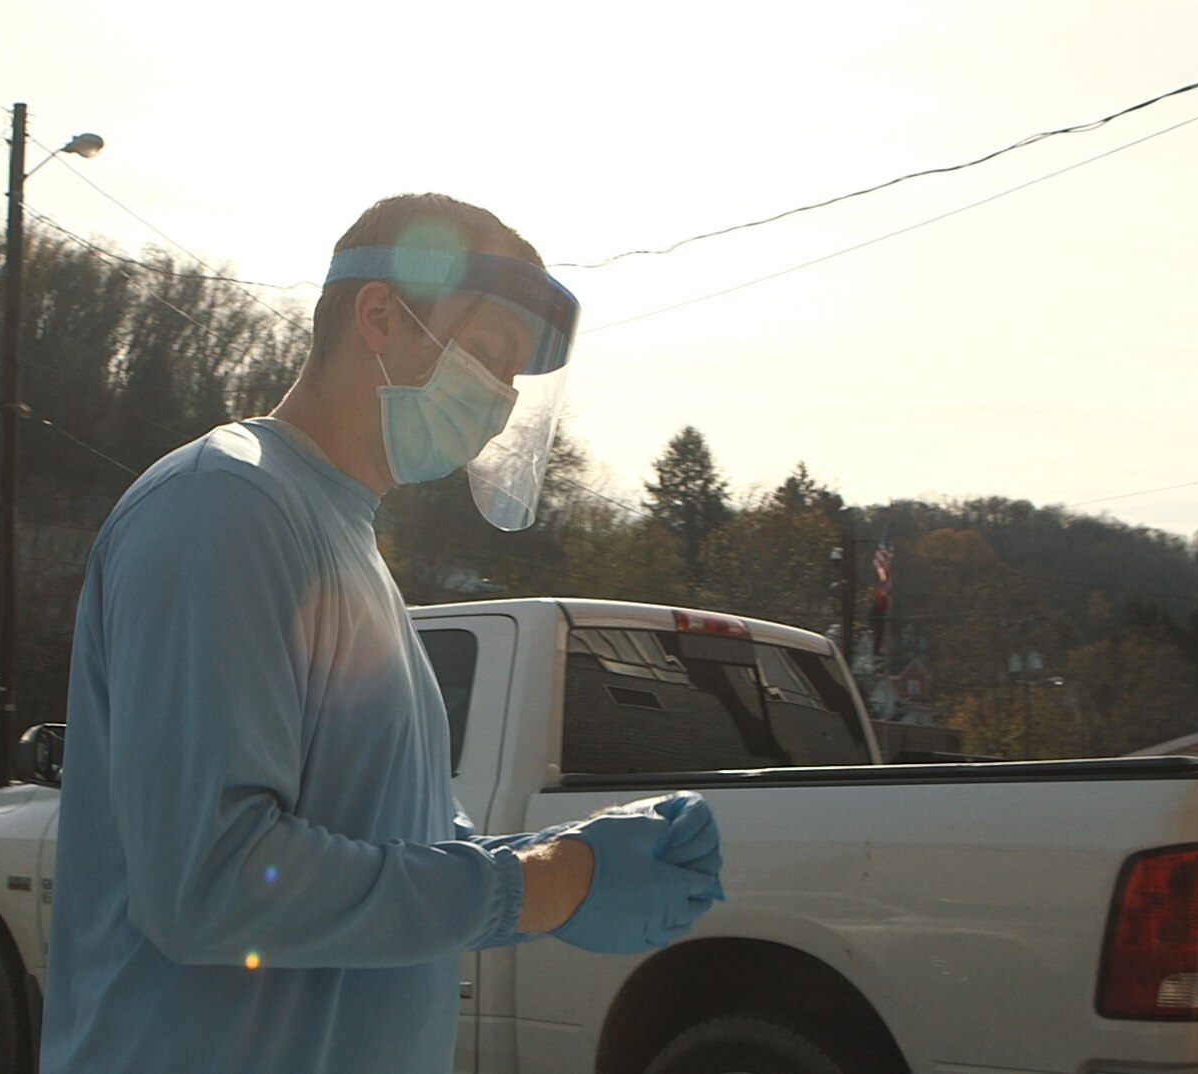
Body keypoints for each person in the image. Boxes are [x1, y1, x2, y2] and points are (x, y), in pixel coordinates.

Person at [41, 194, 724, 1074]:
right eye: (489, 354)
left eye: (515, 380)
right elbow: (208, 885)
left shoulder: (344, 541)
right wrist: (535, 889)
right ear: (379, 316)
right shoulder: (225, 505)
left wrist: (569, 860)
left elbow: (392, 845)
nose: (503, 405)